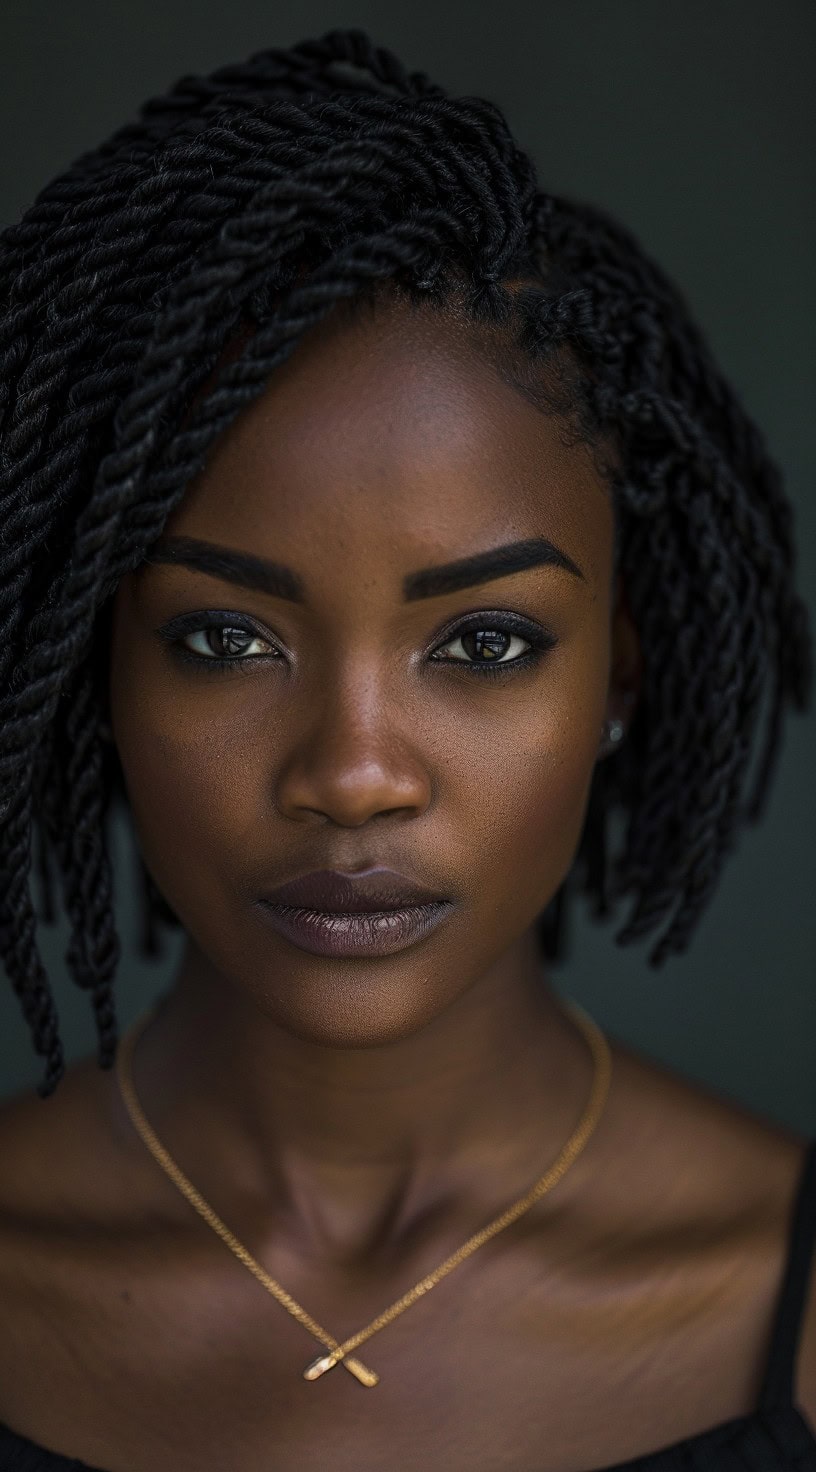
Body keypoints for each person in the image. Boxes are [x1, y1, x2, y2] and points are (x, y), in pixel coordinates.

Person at [0, 26, 813, 1472]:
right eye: (224, 638)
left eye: (485, 644)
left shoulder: (789, 1306)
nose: (355, 772)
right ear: (94, 672)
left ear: (618, 676)